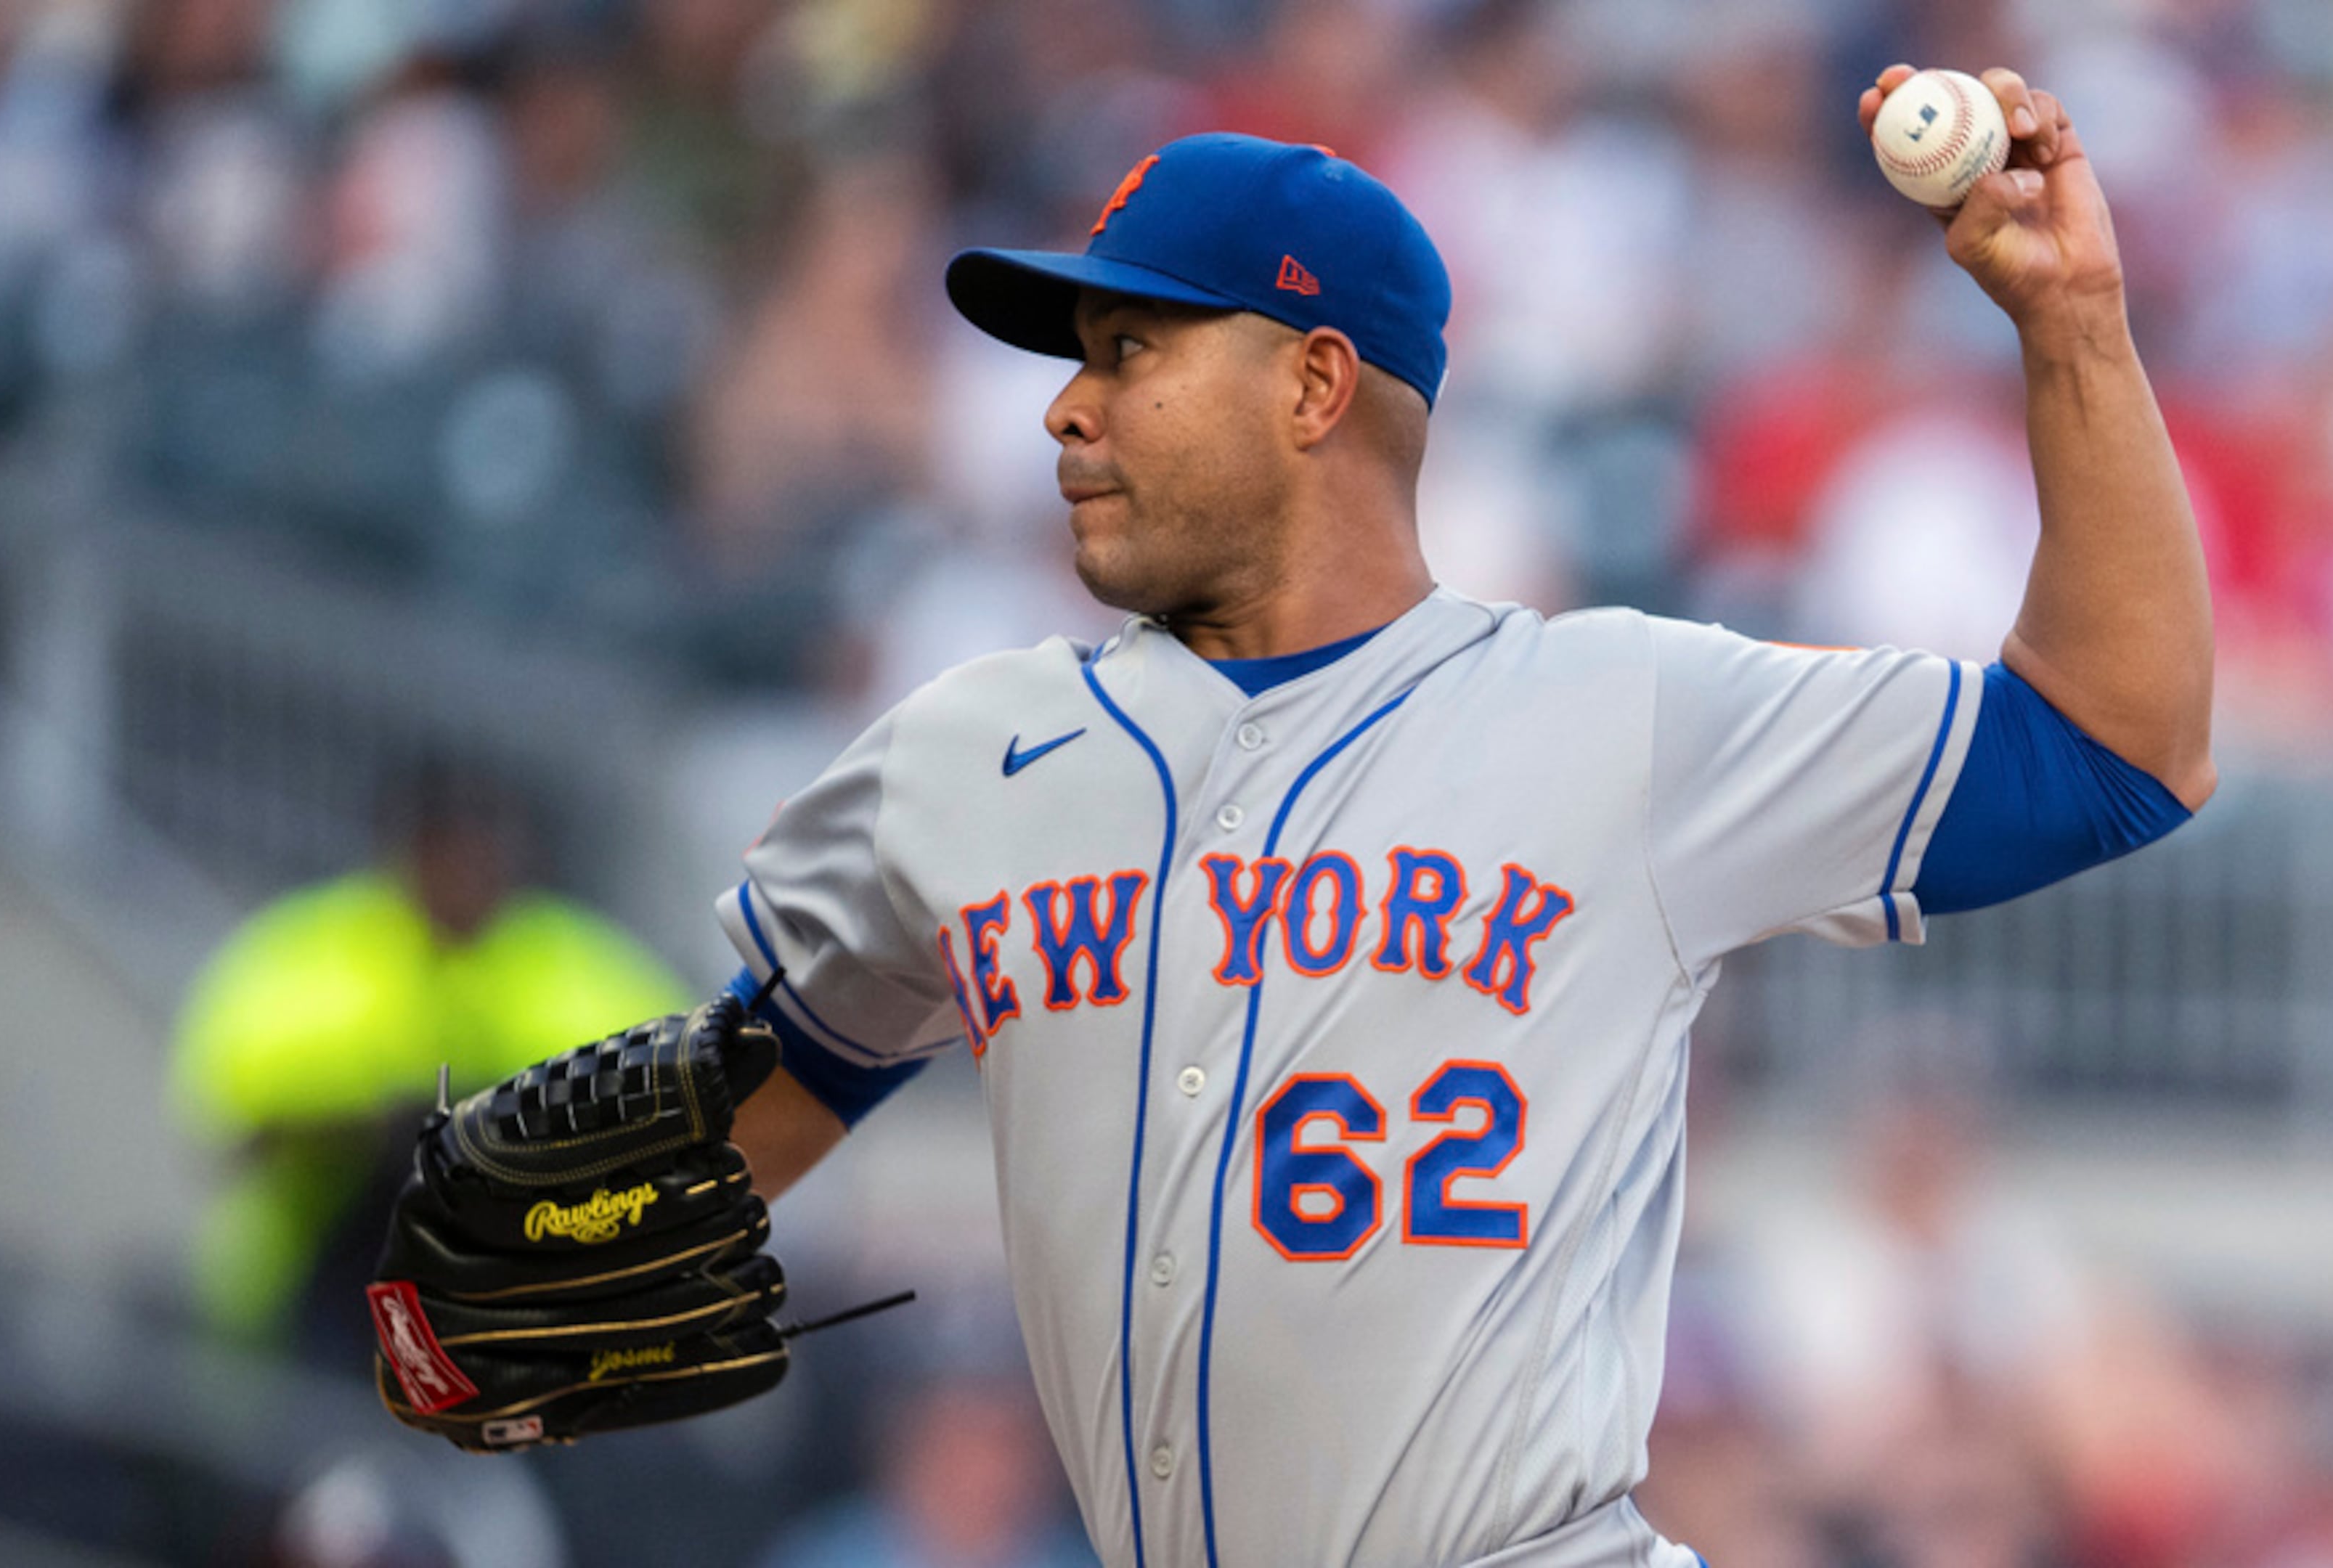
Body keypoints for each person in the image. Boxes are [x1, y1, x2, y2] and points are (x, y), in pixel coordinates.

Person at [709, 62, 2207, 1567]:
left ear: (1313, 384)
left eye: (1132, 346)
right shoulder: (976, 753)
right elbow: (719, 1133)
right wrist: (496, 1289)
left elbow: (2117, 747)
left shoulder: (1621, 717)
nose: (1067, 406)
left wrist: (2073, 329)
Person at [174, 764, 684, 1359]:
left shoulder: (579, 967)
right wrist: (389, 1130)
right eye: (447, 848)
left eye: (487, 850)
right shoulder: (309, 955)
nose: (469, 873)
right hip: (318, 1295)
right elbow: (238, 1134)